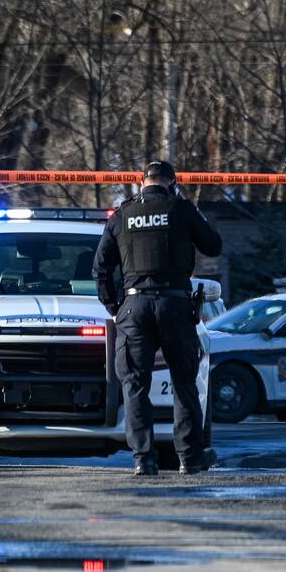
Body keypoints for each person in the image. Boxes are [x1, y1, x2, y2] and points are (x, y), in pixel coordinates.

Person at [93, 160, 223, 475]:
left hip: (134, 308)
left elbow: (100, 268)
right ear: (172, 183)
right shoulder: (181, 209)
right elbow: (214, 246)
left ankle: (143, 459)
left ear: (142, 184)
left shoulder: (122, 214)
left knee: (135, 383)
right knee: (184, 382)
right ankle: (189, 459)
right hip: (175, 305)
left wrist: (115, 307)